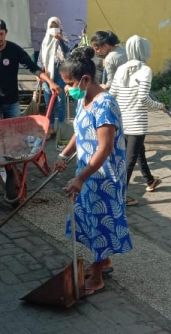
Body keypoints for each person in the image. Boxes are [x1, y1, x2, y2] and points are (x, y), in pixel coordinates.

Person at [54, 47, 132, 295]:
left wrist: (80, 178)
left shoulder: (105, 105)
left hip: (104, 177)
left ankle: (97, 277)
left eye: (70, 83)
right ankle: (104, 261)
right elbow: (80, 131)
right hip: (87, 172)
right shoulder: (83, 99)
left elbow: (105, 147)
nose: (67, 88)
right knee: (88, 220)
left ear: (85, 80)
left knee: (100, 224)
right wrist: (64, 155)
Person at [109, 35, 165, 206]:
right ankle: (120, 197)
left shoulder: (121, 69)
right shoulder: (145, 70)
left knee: (138, 151)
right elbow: (143, 99)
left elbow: (112, 95)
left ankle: (150, 180)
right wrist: (159, 105)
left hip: (121, 122)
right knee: (129, 160)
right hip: (137, 123)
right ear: (144, 50)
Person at [0, 18, 61, 124]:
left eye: (1, 34)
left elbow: (33, 68)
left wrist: (50, 82)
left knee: (15, 131)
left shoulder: (14, 50)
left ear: (6, 33)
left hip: (11, 101)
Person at [38, 16, 70, 137]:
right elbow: (41, 59)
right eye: (51, 27)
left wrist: (60, 40)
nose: (54, 29)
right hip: (48, 76)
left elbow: (68, 55)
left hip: (61, 74)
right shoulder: (45, 41)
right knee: (49, 103)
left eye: (56, 26)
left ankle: (61, 128)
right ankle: (49, 128)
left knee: (61, 103)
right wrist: (39, 74)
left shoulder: (64, 38)